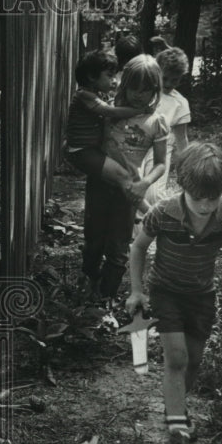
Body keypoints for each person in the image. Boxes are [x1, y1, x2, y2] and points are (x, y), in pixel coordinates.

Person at [125, 142, 222, 444]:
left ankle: (176, 410)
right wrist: (137, 290)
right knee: (177, 357)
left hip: (202, 295)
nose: (205, 205)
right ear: (183, 186)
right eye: (198, 197)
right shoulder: (164, 212)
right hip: (166, 291)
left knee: (195, 360)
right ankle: (178, 432)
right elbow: (138, 248)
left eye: (212, 198)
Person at [64, 49, 151, 301]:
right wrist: (138, 110)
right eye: (109, 75)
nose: (114, 81)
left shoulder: (95, 93)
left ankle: (96, 282)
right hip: (82, 151)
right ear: (92, 77)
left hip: (89, 151)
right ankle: (151, 212)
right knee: (125, 177)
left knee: (121, 179)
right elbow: (110, 113)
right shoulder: (84, 95)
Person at [102, 54, 169, 216]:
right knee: (94, 234)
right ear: (124, 86)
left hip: (131, 189)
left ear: (155, 89)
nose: (138, 95)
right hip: (100, 184)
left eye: (145, 90)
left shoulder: (156, 122)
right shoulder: (110, 110)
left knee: (120, 237)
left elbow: (160, 164)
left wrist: (145, 183)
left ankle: (153, 220)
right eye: (133, 88)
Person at [142, 46, 192, 207]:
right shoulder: (143, 91)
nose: (169, 83)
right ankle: (133, 231)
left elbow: (181, 139)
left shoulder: (180, 103)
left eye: (175, 80)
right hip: (136, 141)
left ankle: (161, 226)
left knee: (153, 194)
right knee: (131, 189)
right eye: (166, 78)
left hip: (161, 148)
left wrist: (186, 166)